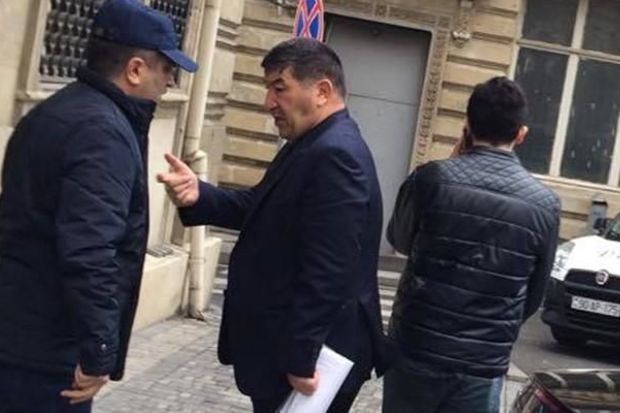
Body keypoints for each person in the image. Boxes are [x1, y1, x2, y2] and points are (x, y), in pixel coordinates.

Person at [158, 38, 386, 413]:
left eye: (280, 89)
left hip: (317, 358)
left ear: (322, 91)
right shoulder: (312, 142)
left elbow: (330, 267)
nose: (268, 103)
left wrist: (302, 357)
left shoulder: (335, 154)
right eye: (268, 89)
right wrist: (199, 195)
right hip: (291, 348)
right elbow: (262, 206)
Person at [0, 1, 197, 411]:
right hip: (46, 350)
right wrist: (99, 350)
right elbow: (90, 250)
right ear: (135, 69)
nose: (170, 80)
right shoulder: (102, 132)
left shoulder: (59, 110)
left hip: (21, 330)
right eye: (166, 68)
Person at [382, 77, 561, 413]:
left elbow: (399, 240)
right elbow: (534, 295)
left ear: (467, 126)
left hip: (418, 348)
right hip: (482, 363)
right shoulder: (544, 204)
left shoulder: (431, 178)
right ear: (521, 134)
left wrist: (453, 159)